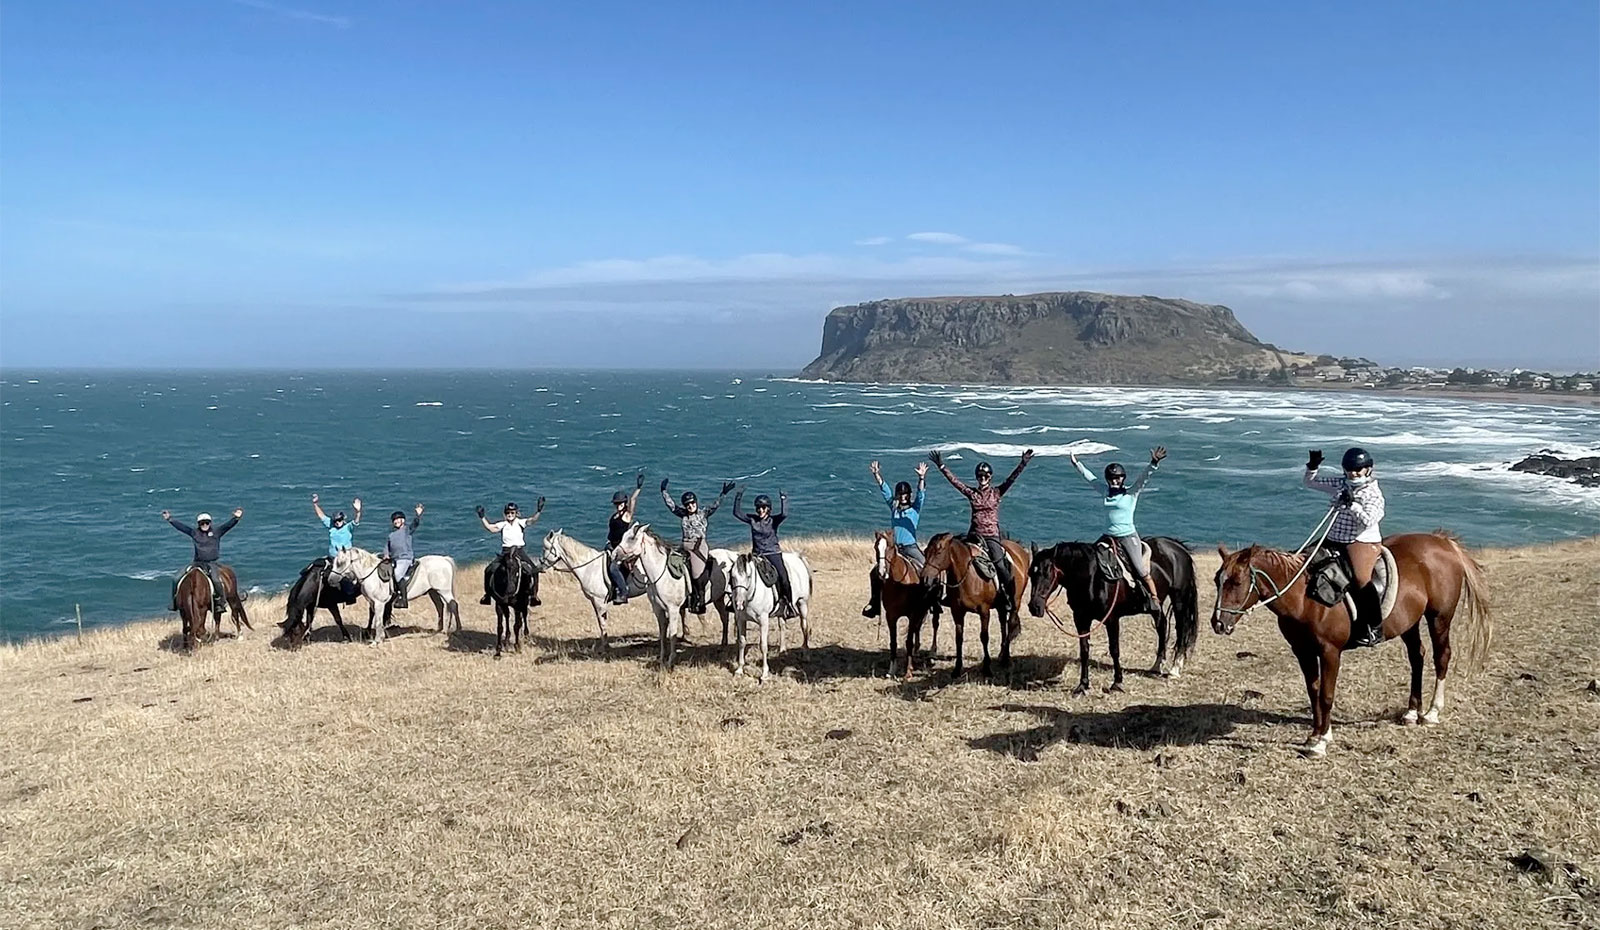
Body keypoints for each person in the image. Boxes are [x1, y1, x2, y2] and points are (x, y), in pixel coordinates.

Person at [929, 447, 1033, 622]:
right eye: (979, 476)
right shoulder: (972, 493)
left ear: (990, 478)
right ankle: (950, 595)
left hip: (991, 536)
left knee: (1001, 566)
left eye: (985, 476)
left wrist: (1023, 463)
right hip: (974, 534)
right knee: (953, 557)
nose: (982, 479)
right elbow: (956, 483)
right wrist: (941, 466)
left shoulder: (997, 492)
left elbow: (1011, 479)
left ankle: (1008, 597)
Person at [1304, 447, 1387, 648]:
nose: (1354, 474)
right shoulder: (1341, 484)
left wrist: (1353, 505)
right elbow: (1310, 483)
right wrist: (1312, 467)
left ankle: (1375, 628)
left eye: (1358, 470)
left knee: (1361, 579)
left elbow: (1368, 521)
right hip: (1334, 537)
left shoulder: (1373, 494)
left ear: (1368, 469)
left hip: (1361, 541)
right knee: (1304, 560)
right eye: (1350, 470)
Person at [1070, 446, 1168, 610]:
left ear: (1123, 478)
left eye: (1118, 478)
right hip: (1107, 536)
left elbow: (1143, 478)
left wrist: (1153, 463)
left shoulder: (1131, 493)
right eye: (1112, 478)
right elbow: (1090, 478)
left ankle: (1154, 599)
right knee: (1089, 561)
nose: (1115, 481)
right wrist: (1076, 463)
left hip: (1127, 536)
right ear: (1108, 479)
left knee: (1139, 569)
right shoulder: (1104, 491)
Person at [861, 459, 928, 618]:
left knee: (927, 571)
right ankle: (875, 604)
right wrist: (877, 475)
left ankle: (931, 602)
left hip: (911, 547)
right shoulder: (894, 507)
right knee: (875, 573)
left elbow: (921, 495)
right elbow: (885, 491)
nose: (903, 497)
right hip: (895, 549)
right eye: (901, 494)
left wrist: (921, 478)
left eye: (905, 494)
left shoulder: (915, 509)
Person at [660, 477, 737, 613]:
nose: (690, 506)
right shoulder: (683, 514)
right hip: (685, 545)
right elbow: (671, 506)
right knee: (670, 564)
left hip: (699, 546)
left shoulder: (703, 513)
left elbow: (715, 506)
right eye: (688, 504)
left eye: (692, 503)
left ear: (696, 502)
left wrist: (723, 494)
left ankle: (700, 600)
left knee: (696, 573)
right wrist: (664, 491)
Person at [162, 508, 242, 613]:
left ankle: (220, 603)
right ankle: (174, 603)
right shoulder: (194, 533)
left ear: (210, 523)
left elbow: (228, 526)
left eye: (206, 523)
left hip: (212, 563)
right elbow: (182, 527)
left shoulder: (217, 532)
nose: (204, 525)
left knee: (216, 581)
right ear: (199, 524)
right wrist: (170, 519)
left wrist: (236, 518)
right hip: (197, 563)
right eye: (202, 523)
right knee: (176, 578)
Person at [733, 486, 793, 617]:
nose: (760, 510)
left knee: (784, 577)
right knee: (739, 574)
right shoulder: (752, 520)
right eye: (758, 508)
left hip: (773, 553)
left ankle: (789, 604)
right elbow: (737, 513)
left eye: (763, 508)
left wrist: (784, 498)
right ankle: (734, 602)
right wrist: (738, 496)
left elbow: (784, 514)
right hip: (757, 554)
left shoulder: (773, 521)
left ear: (769, 509)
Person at [477, 499, 545, 605]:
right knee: (488, 569)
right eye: (508, 513)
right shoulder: (503, 524)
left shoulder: (520, 523)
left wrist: (539, 511)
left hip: (519, 551)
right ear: (505, 514)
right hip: (506, 552)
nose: (510, 514)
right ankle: (487, 595)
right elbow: (490, 528)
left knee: (534, 570)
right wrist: (482, 517)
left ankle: (533, 596)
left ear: (516, 513)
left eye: (512, 512)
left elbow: (532, 520)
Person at [605, 473, 645, 605]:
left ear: (624, 503)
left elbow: (633, 501)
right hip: (612, 545)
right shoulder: (614, 516)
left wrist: (638, 488)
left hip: (623, 549)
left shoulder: (627, 516)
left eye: (620, 503)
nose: (618, 506)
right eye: (616, 504)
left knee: (613, 568)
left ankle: (623, 593)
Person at [384, 504, 424, 609]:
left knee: (397, 574)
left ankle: (404, 600)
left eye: (398, 519)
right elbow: (387, 547)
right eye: (394, 520)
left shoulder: (407, 530)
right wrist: (386, 555)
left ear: (403, 521)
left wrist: (418, 515)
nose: (396, 521)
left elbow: (415, 524)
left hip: (405, 558)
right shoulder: (391, 535)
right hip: (395, 559)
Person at [312, 493, 361, 558]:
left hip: (346, 556)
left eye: (339, 520)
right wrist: (315, 504)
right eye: (335, 521)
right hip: (334, 556)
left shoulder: (348, 527)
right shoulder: (331, 525)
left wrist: (358, 511)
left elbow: (356, 521)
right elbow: (321, 515)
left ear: (343, 519)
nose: (337, 522)